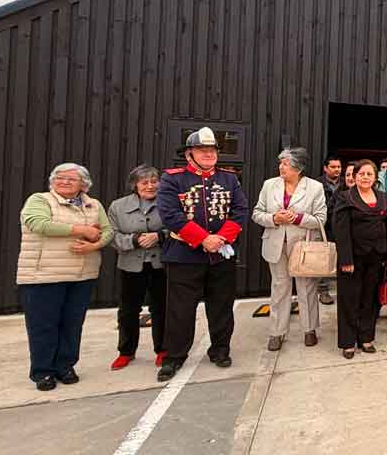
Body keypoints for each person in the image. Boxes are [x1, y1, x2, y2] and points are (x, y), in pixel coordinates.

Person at [157, 127, 249, 382]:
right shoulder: (172, 179)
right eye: (202, 150)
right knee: (180, 310)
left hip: (220, 254)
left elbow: (240, 210)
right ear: (189, 154)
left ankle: (220, 350)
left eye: (212, 150)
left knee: (221, 307)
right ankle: (174, 357)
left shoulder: (229, 179)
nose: (209, 154)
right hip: (184, 256)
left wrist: (220, 238)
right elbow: (170, 214)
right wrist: (202, 239)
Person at [18, 163, 114, 391]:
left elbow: (108, 231)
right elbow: (39, 224)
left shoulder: (93, 204)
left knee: (72, 324)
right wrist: (83, 230)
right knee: (43, 325)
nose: (64, 182)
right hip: (44, 274)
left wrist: (95, 245)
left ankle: (65, 366)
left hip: (82, 274)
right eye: (59, 178)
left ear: (84, 184)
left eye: (72, 179)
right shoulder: (39, 200)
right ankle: (43, 372)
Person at [252, 148, 327, 351]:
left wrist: (298, 218)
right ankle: (277, 332)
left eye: (285, 163)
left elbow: (321, 219)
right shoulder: (269, 185)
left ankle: (309, 329)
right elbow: (257, 213)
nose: (281, 167)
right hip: (275, 244)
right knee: (279, 288)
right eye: (281, 163)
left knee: (306, 288)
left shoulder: (315, 187)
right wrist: (274, 218)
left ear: (298, 167)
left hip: (303, 246)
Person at [108, 164, 168, 371]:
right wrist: (133, 240)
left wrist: (159, 236)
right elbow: (111, 235)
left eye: (154, 181)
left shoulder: (169, 202)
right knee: (128, 310)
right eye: (145, 182)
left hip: (161, 264)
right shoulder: (118, 206)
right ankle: (126, 351)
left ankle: (162, 349)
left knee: (162, 308)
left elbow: (179, 227)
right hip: (130, 265)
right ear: (134, 185)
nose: (150, 186)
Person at [333, 160, 387, 358]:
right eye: (361, 174)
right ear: (354, 176)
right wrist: (346, 260)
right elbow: (340, 231)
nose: (365, 177)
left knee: (370, 300)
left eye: (369, 174)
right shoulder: (345, 197)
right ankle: (348, 342)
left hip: (377, 257)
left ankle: (366, 338)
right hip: (353, 259)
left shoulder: (383, 197)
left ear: (376, 178)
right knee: (350, 299)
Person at [315, 155, 344, 306]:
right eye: (333, 167)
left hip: (340, 226)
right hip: (323, 225)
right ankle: (323, 290)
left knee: (341, 255)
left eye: (338, 167)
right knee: (322, 257)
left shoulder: (345, 183)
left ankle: (342, 287)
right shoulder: (316, 184)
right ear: (325, 168)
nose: (337, 170)